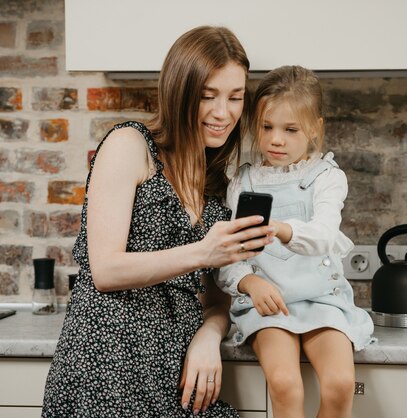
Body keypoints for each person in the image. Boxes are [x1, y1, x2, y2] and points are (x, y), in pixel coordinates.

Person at [42, 26, 274, 418]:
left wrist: (209, 334)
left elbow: (217, 296)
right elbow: (105, 269)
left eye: (235, 97)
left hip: (176, 371)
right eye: (207, 96)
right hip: (107, 364)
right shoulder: (129, 145)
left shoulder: (216, 185)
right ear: (179, 93)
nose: (224, 112)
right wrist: (203, 252)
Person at [216, 65, 375, 418]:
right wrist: (249, 281)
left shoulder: (326, 177)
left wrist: (281, 229)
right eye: (266, 127)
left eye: (290, 130)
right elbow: (228, 255)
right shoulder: (244, 183)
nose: (276, 139)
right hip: (268, 306)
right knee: (286, 385)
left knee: (339, 384)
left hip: (322, 300)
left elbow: (323, 236)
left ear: (315, 129)